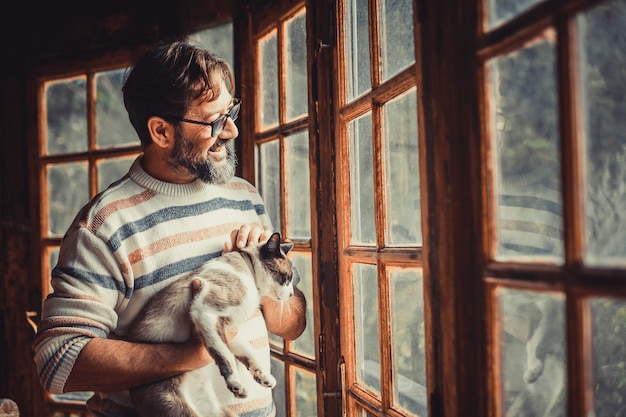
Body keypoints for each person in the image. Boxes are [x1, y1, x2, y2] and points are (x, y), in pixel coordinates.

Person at [32, 39, 307, 417]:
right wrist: (193, 353)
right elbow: (57, 360)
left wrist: (261, 278)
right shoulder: (104, 224)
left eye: (232, 112)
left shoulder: (245, 196)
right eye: (214, 121)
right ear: (161, 132)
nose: (231, 131)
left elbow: (291, 325)